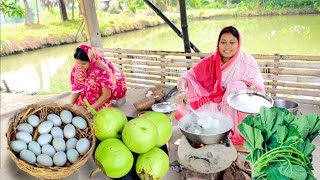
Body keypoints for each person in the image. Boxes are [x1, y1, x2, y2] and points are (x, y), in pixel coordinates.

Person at [175, 26, 265, 145]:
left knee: (236, 86)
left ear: (238, 44)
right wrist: (182, 92)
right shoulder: (211, 61)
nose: (227, 47)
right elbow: (187, 77)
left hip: (236, 108)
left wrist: (251, 89)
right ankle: (212, 131)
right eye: (223, 42)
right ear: (218, 43)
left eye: (232, 42)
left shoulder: (247, 61)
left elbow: (258, 87)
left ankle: (235, 131)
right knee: (205, 119)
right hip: (214, 105)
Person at [70, 44, 127, 111]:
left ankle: (100, 106)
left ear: (91, 60)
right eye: (77, 63)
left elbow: (106, 94)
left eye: (84, 64)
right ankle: (94, 100)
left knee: (90, 83)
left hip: (115, 88)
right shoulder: (79, 67)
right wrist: (70, 105)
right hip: (100, 87)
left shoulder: (102, 69)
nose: (80, 66)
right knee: (77, 72)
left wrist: (91, 108)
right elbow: (77, 86)